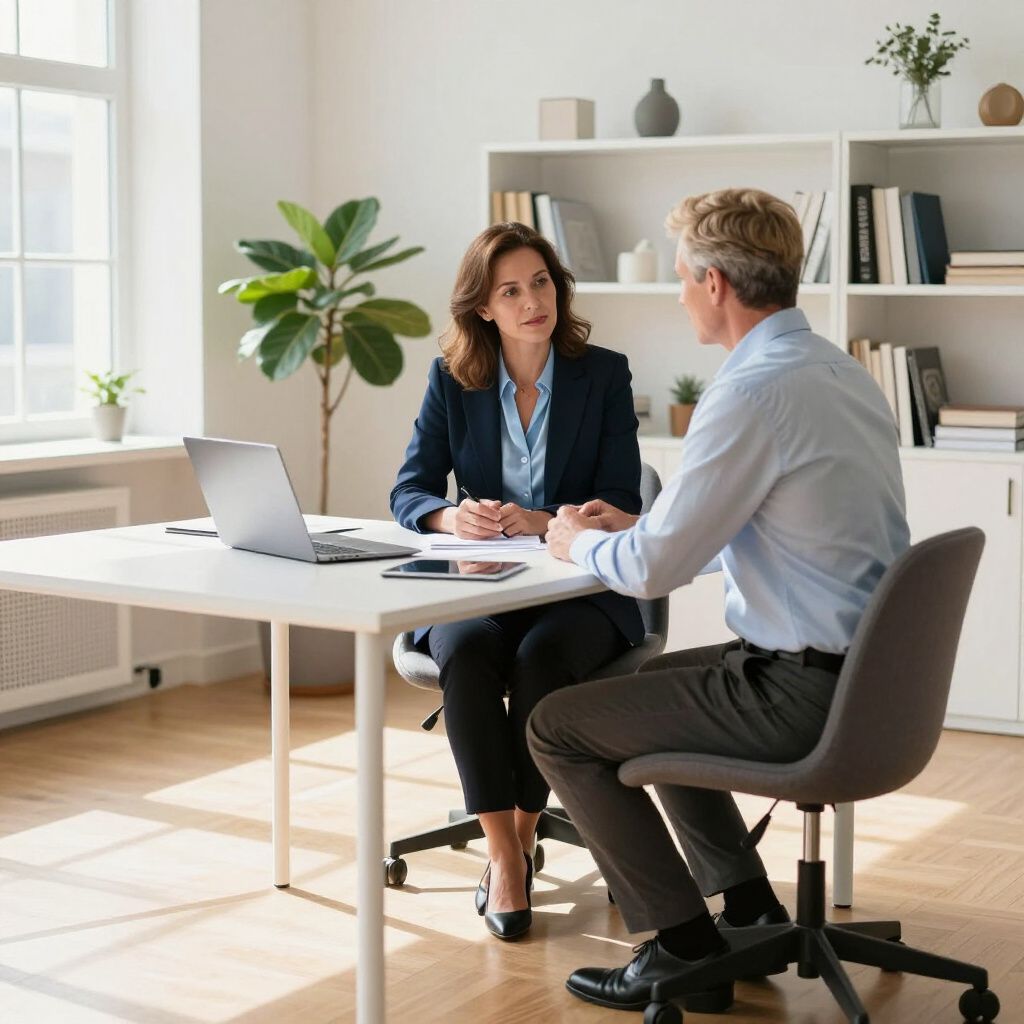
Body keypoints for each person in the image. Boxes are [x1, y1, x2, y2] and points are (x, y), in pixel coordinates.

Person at [527, 187, 910, 1012]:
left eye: (681, 278)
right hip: (870, 684)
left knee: (558, 725)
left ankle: (680, 945)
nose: (677, 295)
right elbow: (769, 523)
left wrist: (576, 542)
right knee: (641, 698)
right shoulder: (838, 372)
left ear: (716, 285)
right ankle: (746, 906)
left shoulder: (748, 393)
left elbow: (653, 571)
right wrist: (647, 522)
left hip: (799, 694)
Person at [390, 222, 644, 941]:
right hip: (478, 584)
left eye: (540, 283)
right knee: (465, 649)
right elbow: (408, 490)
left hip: (578, 589)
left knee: (540, 659)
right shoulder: (453, 378)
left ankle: (525, 829)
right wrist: (449, 518)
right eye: (511, 290)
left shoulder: (603, 374)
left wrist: (545, 520)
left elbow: (624, 501)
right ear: (483, 309)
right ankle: (504, 854)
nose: (533, 300)